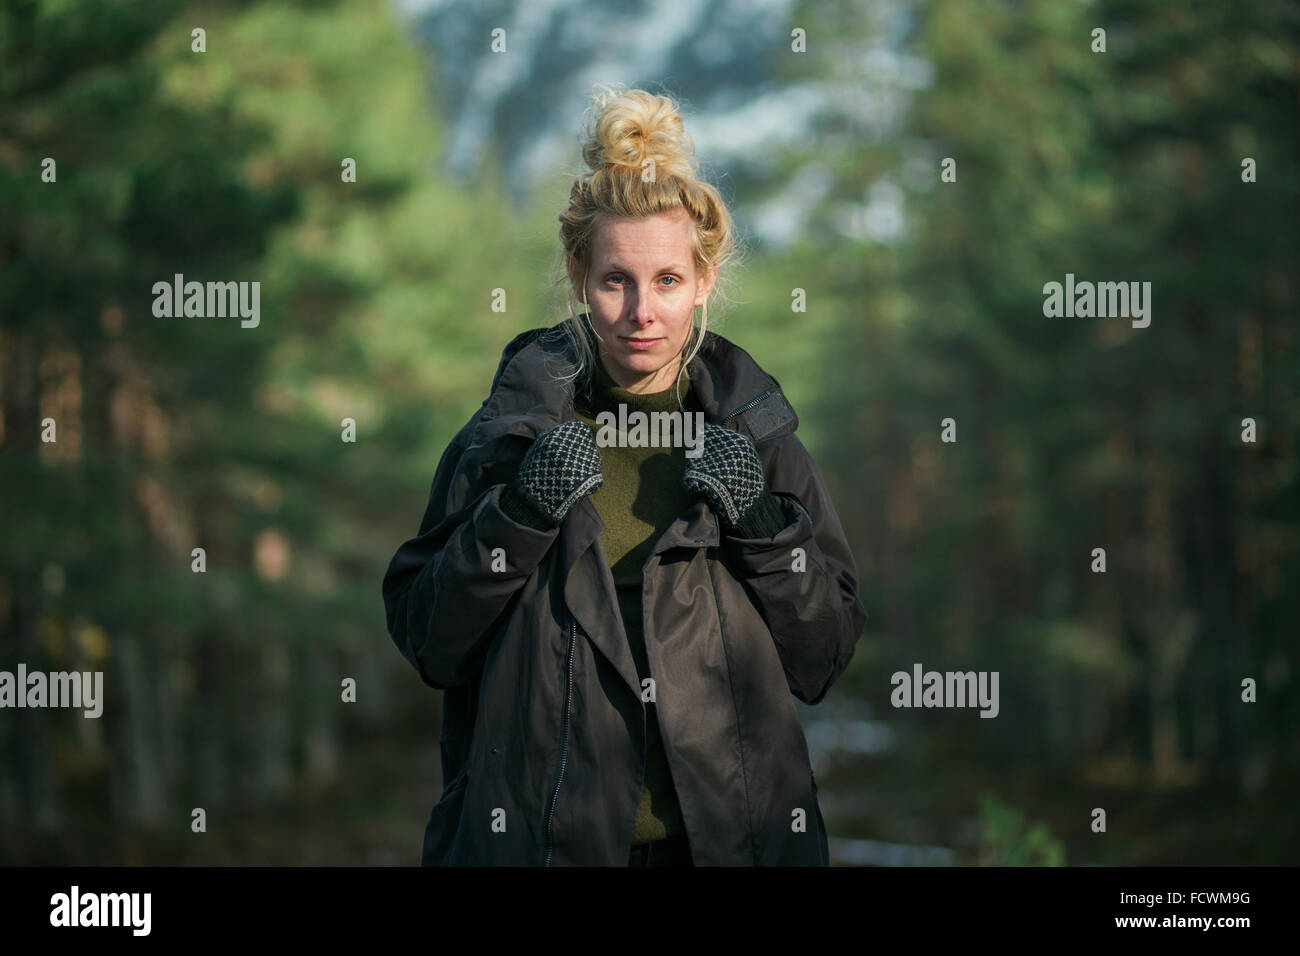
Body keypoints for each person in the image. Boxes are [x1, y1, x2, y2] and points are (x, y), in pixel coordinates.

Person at [381, 86, 868, 866]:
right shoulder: (504, 438)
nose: (643, 312)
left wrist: (763, 529)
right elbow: (431, 643)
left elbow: (826, 655)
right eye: (617, 280)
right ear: (579, 277)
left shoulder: (760, 437)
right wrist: (518, 514)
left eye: (668, 281)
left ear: (704, 280)